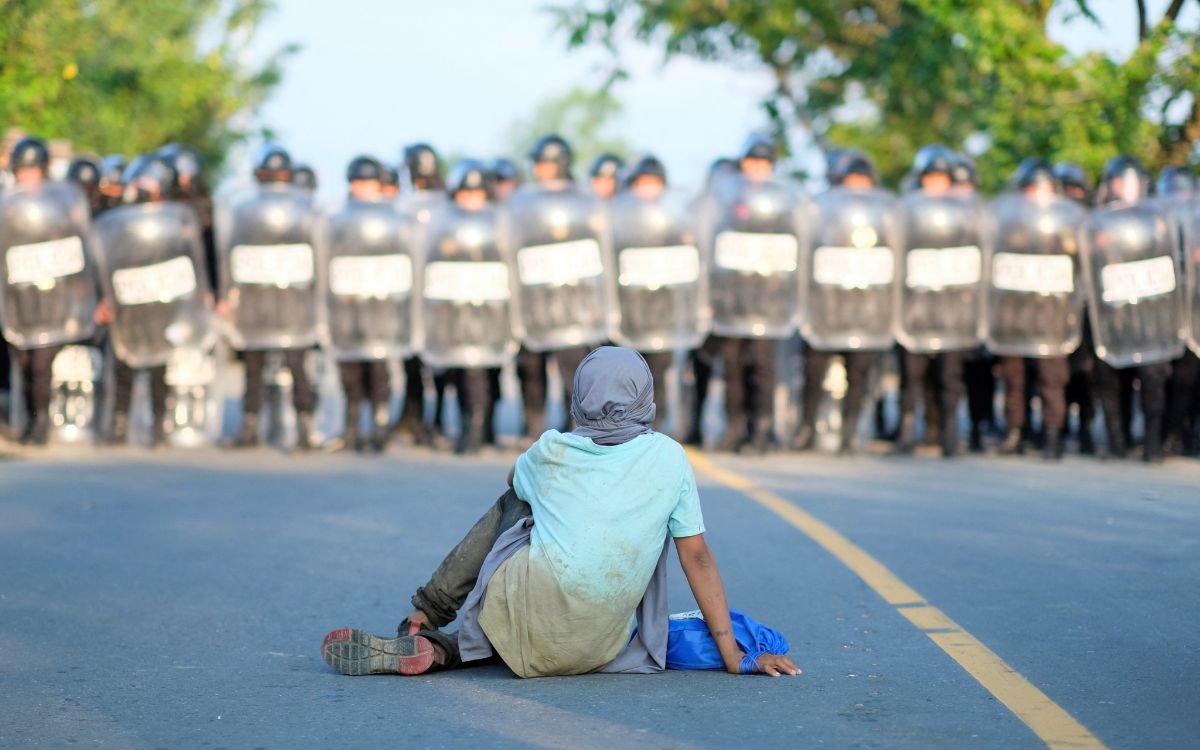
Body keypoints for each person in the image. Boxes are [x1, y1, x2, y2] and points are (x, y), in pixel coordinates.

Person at [321, 346, 800, 678]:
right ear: (645, 397)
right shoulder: (670, 458)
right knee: (560, 596)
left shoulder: (551, 451)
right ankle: (442, 649)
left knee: (517, 504)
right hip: (599, 646)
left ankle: (428, 618)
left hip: (523, 621)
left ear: (580, 397)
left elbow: (514, 479)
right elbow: (697, 558)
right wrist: (735, 658)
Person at [795, 148, 894, 454]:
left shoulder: (886, 218)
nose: (855, 187)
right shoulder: (821, 215)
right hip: (828, 309)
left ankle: (850, 431)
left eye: (861, 181)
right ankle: (807, 427)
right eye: (850, 180)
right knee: (814, 370)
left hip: (867, 310)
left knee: (860, 373)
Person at [224, 144, 320, 450]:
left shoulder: (245, 209)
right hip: (277, 302)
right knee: (283, 366)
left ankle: (288, 428)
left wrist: (227, 295)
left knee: (268, 367)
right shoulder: (305, 209)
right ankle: (286, 429)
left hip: (270, 301)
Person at [325, 155, 402, 453]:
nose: (364, 189)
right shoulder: (338, 219)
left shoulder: (392, 219)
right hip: (348, 307)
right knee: (350, 368)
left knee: (379, 369)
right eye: (359, 183)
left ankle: (379, 426)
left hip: (380, 307)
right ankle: (352, 426)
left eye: (370, 183)